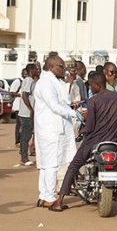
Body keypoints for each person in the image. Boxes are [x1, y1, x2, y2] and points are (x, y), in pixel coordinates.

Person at [50, 72, 117, 212]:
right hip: (115, 141)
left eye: (91, 86)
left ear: (97, 85)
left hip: (95, 142)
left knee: (73, 166)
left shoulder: (94, 101)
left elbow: (90, 126)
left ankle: (59, 201)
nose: (91, 89)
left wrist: (82, 131)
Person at [33, 55, 78, 208]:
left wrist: (72, 107)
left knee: (47, 164)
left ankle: (44, 196)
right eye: (61, 66)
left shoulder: (54, 82)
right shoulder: (45, 83)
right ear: (51, 67)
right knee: (51, 164)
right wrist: (74, 113)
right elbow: (54, 105)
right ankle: (50, 198)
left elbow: (62, 102)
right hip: (51, 130)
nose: (64, 69)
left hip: (53, 129)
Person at [17, 64, 39, 166]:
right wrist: (30, 109)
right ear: (31, 70)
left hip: (26, 112)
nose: (37, 70)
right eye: (36, 69)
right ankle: (24, 158)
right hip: (26, 113)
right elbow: (24, 95)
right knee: (26, 135)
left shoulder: (31, 80)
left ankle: (23, 154)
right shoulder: (29, 80)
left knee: (27, 134)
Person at [10, 68, 27, 147]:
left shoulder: (29, 82)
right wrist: (21, 95)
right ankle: (18, 141)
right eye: (24, 73)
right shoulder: (18, 81)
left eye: (26, 73)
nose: (25, 75)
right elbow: (11, 93)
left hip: (25, 106)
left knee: (25, 125)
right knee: (19, 124)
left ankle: (23, 140)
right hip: (18, 106)